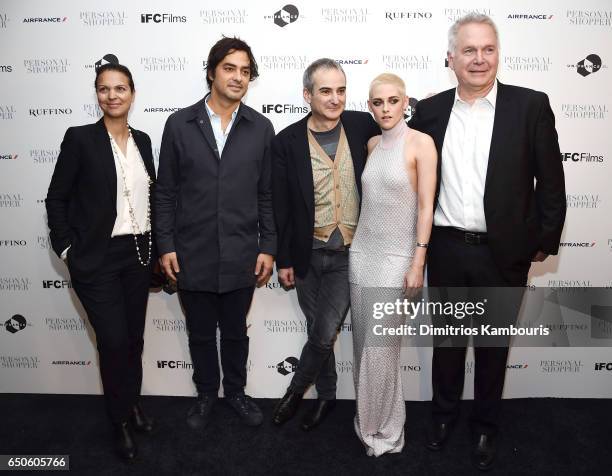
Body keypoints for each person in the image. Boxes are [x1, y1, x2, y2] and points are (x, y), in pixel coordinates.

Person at [408, 13, 566, 471]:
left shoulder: (530, 105)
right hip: (447, 248)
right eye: (469, 50)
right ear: (451, 58)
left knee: (495, 349)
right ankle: (442, 417)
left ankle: (485, 426)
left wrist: (542, 242)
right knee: (450, 343)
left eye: (488, 49)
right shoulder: (432, 111)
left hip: (504, 255)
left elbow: (551, 183)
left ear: (498, 53)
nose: (480, 59)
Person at [155, 37, 276, 429]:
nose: (238, 77)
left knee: (237, 333)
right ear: (211, 72)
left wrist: (268, 247)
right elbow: (166, 192)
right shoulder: (179, 124)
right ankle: (206, 394)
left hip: (243, 251)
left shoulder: (261, 127)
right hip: (192, 251)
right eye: (230, 68)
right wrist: (167, 244)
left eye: (245, 71)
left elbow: (267, 194)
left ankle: (236, 393)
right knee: (201, 333)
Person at [46, 63, 156, 461]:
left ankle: (132, 403)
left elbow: (149, 199)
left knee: (134, 340)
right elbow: (56, 198)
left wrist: (157, 250)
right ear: (97, 94)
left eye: (120, 88)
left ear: (132, 93)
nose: (112, 96)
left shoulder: (143, 140)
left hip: (138, 256)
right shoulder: (80, 139)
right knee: (112, 342)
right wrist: (66, 249)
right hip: (97, 258)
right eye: (104, 89)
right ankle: (120, 420)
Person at [271, 58, 380, 430]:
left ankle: (293, 393)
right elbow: (280, 205)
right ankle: (327, 398)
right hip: (306, 254)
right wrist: (283, 258)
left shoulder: (363, 125)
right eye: (326, 91)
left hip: (351, 254)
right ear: (307, 95)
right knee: (319, 331)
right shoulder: (286, 141)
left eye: (341, 90)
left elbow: (401, 129)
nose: (335, 99)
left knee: (323, 330)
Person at [350, 73, 436, 456]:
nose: (385, 108)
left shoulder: (421, 144)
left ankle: (384, 429)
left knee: (381, 347)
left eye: (393, 100)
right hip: (362, 253)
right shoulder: (371, 144)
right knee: (363, 344)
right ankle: (370, 419)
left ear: (406, 103)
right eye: (377, 102)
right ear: (370, 106)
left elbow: (425, 207)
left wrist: (418, 259)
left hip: (398, 257)